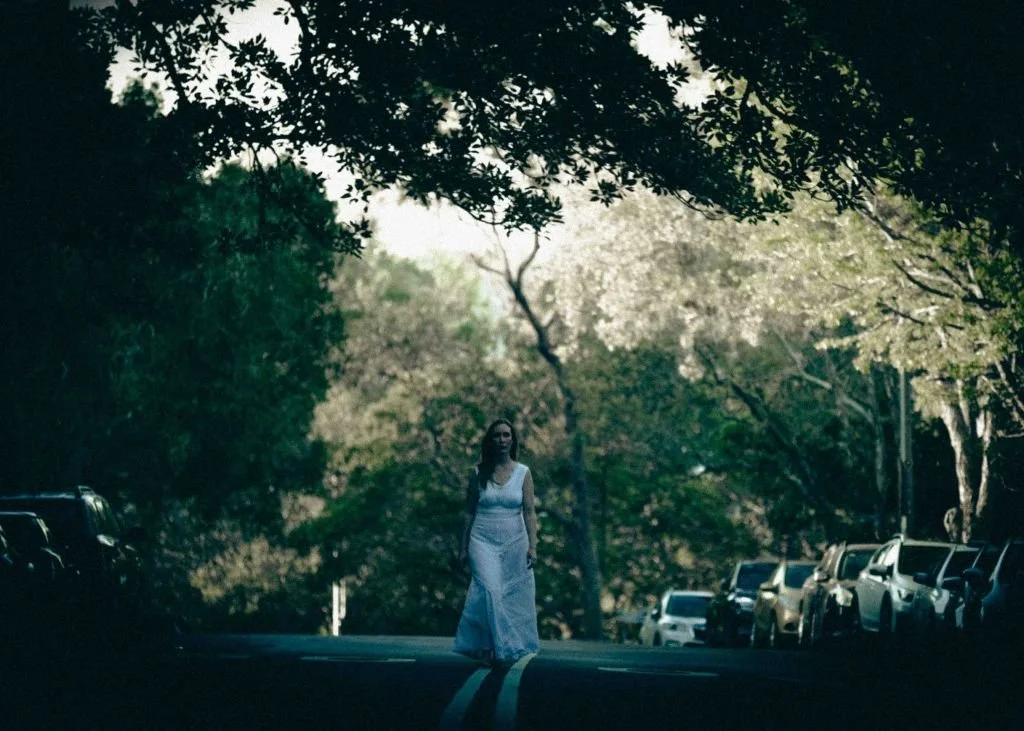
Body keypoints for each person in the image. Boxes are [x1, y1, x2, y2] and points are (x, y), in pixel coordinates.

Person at [453, 418, 540, 668]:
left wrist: (533, 545)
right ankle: (501, 648)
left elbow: (530, 511)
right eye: (497, 436)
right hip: (482, 540)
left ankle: (495, 644)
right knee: (490, 589)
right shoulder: (479, 473)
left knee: (509, 594)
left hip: (515, 541)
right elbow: (469, 511)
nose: (502, 440)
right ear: (490, 441)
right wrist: (463, 547)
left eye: (506, 435)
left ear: (512, 440)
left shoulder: (523, 472)